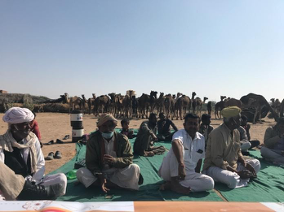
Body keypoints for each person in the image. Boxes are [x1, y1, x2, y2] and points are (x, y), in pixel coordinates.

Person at [0, 107, 67, 197]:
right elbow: (2, 173)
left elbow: (40, 163)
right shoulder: (3, 143)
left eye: (29, 124)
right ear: (13, 126)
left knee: (61, 179)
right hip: (12, 186)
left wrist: (33, 182)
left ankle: (34, 194)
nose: (29, 127)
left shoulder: (33, 140)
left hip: (33, 183)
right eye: (24, 124)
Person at [76, 114, 141, 193]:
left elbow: (129, 158)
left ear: (115, 126)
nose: (108, 129)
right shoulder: (93, 140)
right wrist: (100, 175)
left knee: (134, 168)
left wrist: (115, 161)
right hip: (99, 172)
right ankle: (115, 185)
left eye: (111, 126)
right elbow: (90, 162)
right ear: (99, 127)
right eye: (104, 126)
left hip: (118, 171)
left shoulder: (122, 139)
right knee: (81, 172)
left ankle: (104, 184)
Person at [202, 106, 261, 188]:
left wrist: (244, 163)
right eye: (239, 118)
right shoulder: (217, 133)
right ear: (232, 120)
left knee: (256, 163)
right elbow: (216, 159)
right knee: (232, 179)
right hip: (215, 167)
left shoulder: (236, 132)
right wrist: (237, 172)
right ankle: (240, 177)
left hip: (233, 166)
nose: (241, 120)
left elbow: (238, 151)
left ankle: (241, 176)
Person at [158, 113, 214, 194]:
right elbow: (176, 142)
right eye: (190, 123)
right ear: (184, 125)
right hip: (170, 172)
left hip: (188, 174)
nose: (193, 126)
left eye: (195, 124)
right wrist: (181, 165)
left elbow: (199, 159)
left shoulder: (201, 138)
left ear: (199, 125)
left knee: (210, 183)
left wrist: (197, 175)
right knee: (177, 149)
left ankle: (173, 185)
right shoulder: (179, 134)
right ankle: (174, 181)